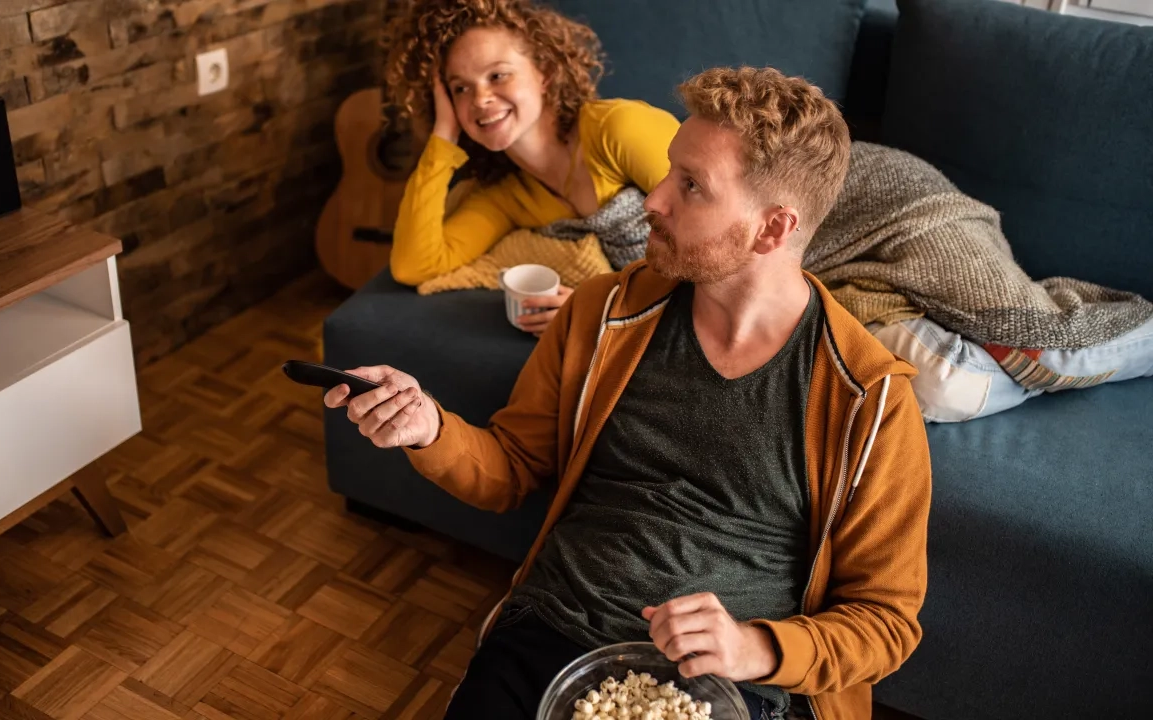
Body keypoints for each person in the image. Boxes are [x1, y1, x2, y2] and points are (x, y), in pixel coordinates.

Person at [326, 66, 932, 720]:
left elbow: (886, 621)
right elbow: (512, 468)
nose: (654, 198)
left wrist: (756, 648)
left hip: (733, 687)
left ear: (773, 229)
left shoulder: (867, 399)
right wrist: (429, 428)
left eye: (691, 186)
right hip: (555, 631)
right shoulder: (604, 312)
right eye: (671, 171)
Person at [383, 0, 681, 335]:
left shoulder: (619, 129)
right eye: (461, 88)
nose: (480, 99)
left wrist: (601, 309)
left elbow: (719, 225)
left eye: (498, 75)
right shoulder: (505, 197)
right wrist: (443, 137)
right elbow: (414, 265)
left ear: (545, 74)